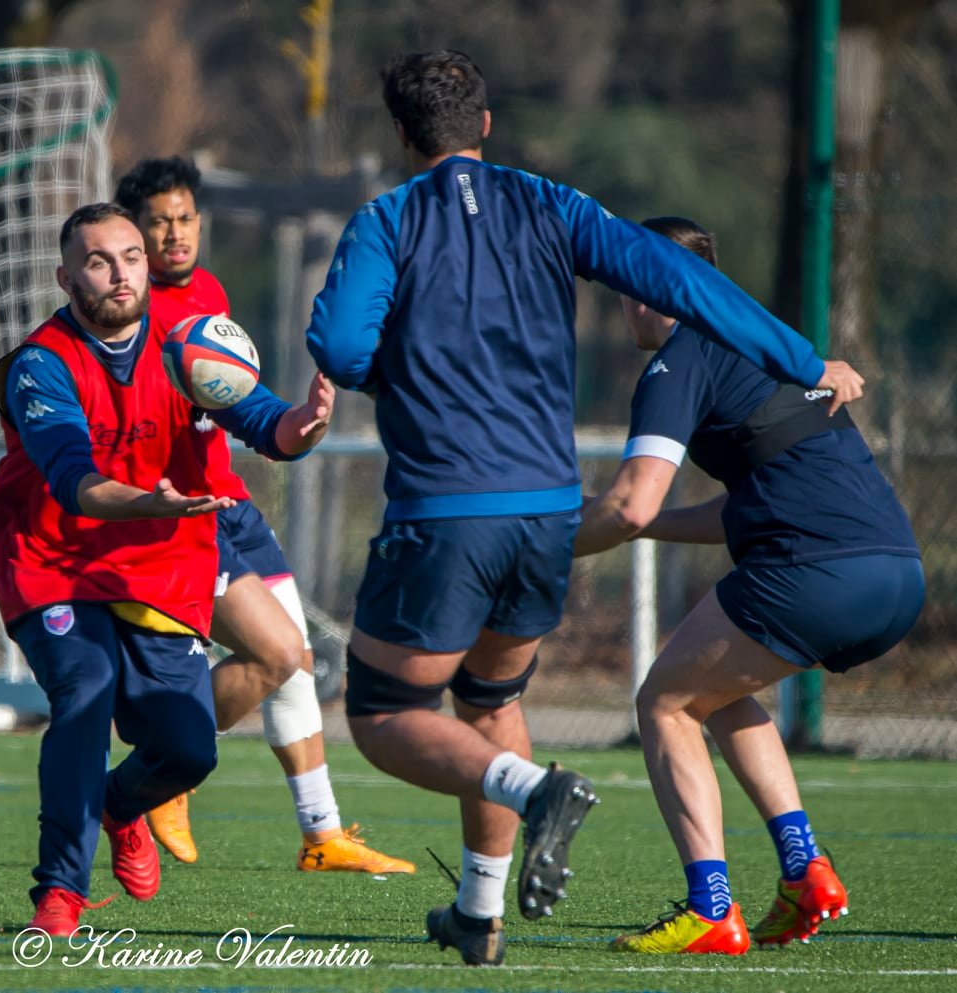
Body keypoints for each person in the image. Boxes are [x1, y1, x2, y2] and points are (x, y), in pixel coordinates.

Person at [304, 51, 868, 966]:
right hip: (545, 511)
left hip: (446, 507)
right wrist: (804, 361)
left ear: (403, 137)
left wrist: (393, 368)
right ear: (484, 124)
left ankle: (536, 793)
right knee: (489, 697)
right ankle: (477, 913)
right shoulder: (553, 204)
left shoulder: (387, 218)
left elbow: (337, 341)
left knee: (379, 713)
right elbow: (685, 283)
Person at [0, 202, 333, 938]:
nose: (119, 274)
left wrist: (298, 426)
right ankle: (60, 891)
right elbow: (75, 480)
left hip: (159, 561)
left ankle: (119, 803)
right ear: (65, 276)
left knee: (187, 747)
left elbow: (262, 420)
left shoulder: (186, 348)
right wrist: (150, 500)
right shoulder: (40, 364)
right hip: (54, 559)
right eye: (99, 261)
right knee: (85, 692)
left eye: (130, 257)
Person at [574, 217, 922, 954]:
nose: (622, 301)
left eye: (628, 284)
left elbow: (630, 500)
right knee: (715, 692)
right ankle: (805, 870)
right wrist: (646, 527)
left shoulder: (681, 357)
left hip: (814, 570)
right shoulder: (768, 349)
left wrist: (545, 540)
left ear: (653, 284)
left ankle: (709, 908)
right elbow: (743, 507)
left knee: (661, 701)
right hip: (893, 571)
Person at [115, 156, 413, 876]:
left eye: (185, 217)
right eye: (157, 222)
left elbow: (236, 405)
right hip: (181, 514)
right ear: (134, 233)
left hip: (231, 504)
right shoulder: (132, 316)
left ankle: (321, 833)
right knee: (278, 654)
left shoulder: (208, 290)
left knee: (298, 660)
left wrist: (296, 424)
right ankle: (163, 770)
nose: (175, 233)